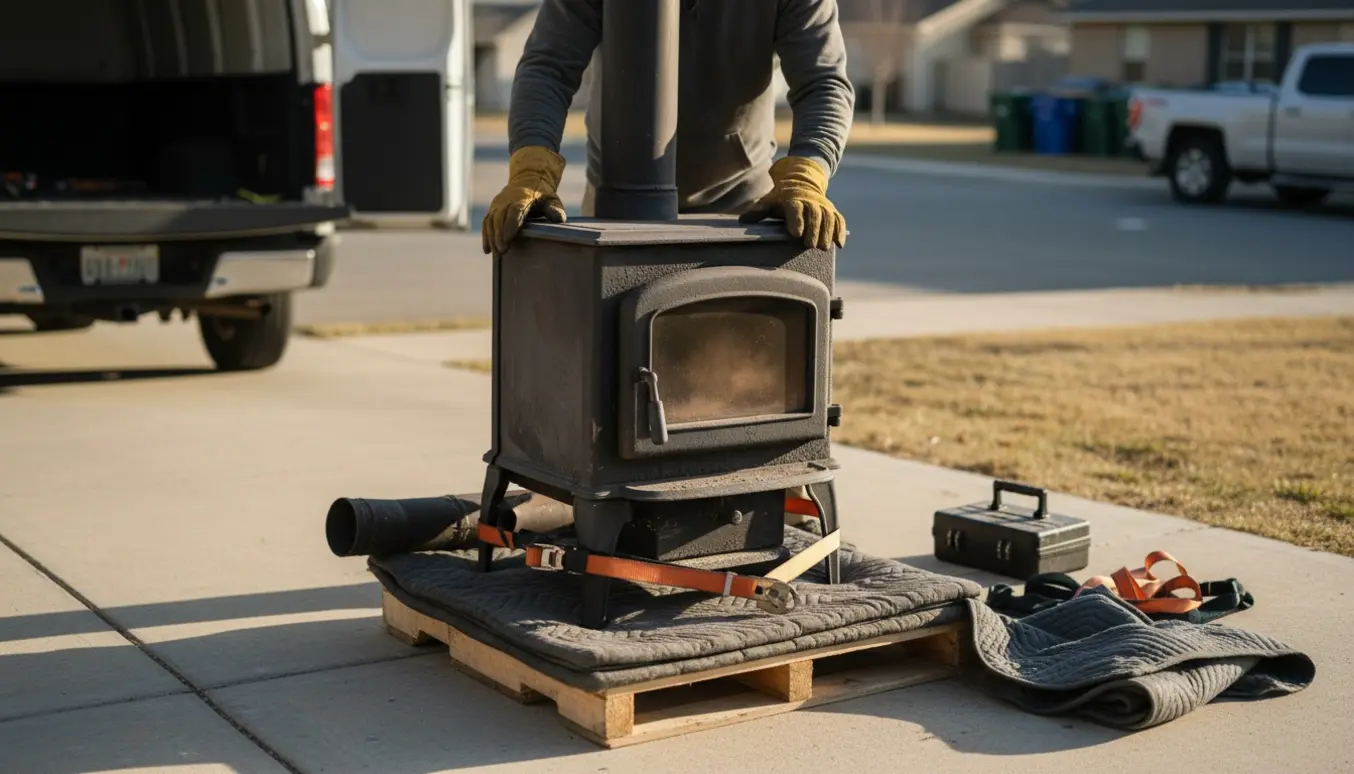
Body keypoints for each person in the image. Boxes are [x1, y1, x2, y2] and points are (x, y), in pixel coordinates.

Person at [480, 0, 855, 257]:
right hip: (617, 205)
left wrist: (807, 175)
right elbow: (548, 69)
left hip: (742, 210)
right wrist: (531, 169)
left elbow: (823, 84)